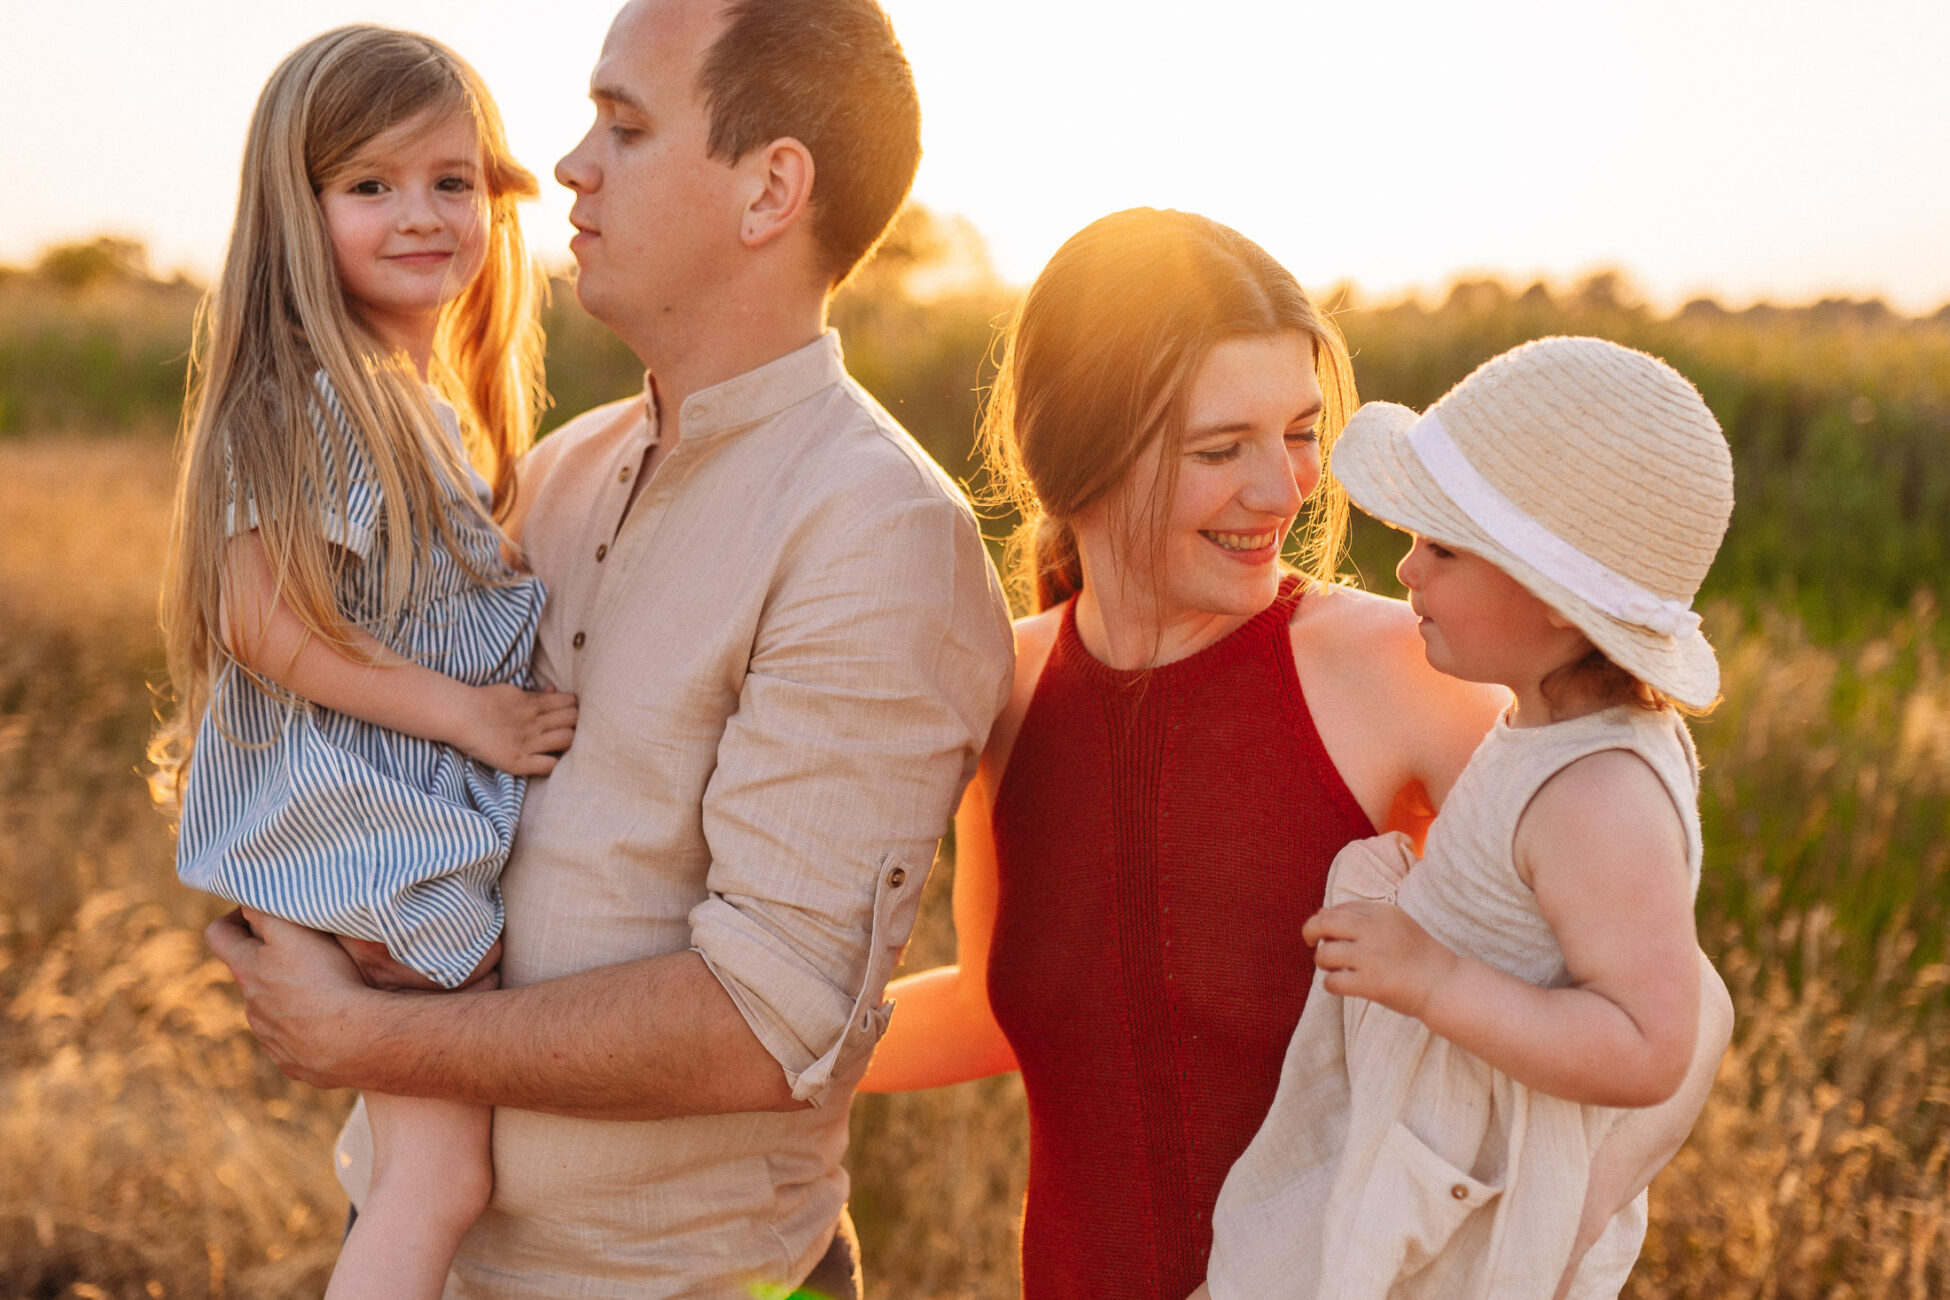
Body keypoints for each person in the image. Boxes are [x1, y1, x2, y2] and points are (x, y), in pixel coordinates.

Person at [202, 1, 1014, 1296]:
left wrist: (369, 1038)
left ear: (770, 190)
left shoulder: (876, 533)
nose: (567, 165)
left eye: (622, 126)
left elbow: (762, 1027)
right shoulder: (560, 466)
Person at [858, 211, 1733, 1300]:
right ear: (1077, 461)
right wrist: (766, 1051)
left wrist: (1537, 1241)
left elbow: (1665, 1021)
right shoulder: (1000, 689)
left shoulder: (1405, 672)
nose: (1286, 490)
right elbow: (995, 1007)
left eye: (1301, 432)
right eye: (1222, 450)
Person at [152, 26, 572, 1299]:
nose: (423, 215)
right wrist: (473, 719)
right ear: (298, 208)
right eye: (371, 186)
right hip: (377, 834)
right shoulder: (323, 395)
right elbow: (261, 620)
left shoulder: (403, 387)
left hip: (373, 823)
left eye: (453, 181)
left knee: (417, 1178)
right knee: (443, 1182)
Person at [1201, 337, 1735, 1300]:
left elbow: (1653, 1044)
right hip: (1432, 1141)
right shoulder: (1545, 730)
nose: (1405, 571)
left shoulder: (1600, 795)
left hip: (1470, 1198)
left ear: (1560, 605)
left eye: (1441, 549)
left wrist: (1437, 977)